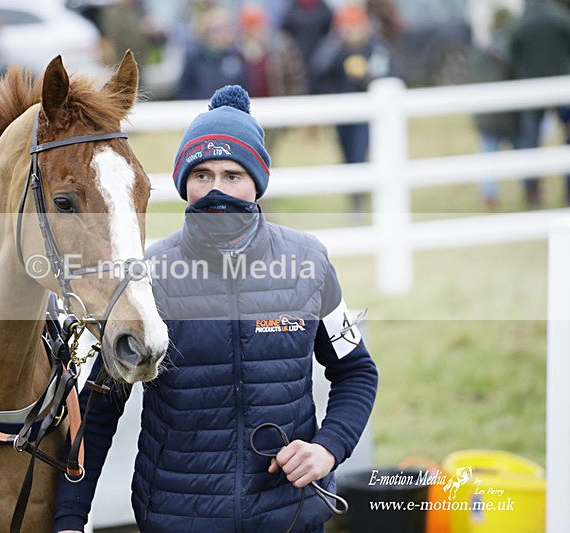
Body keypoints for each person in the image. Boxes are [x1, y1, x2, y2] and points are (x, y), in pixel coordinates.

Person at [54, 85, 379, 533]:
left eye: (232, 175)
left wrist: (329, 447)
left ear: (257, 182)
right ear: (184, 182)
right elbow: (98, 408)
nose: (215, 189)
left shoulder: (309, 264)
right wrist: (70, 520)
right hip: (177, 519)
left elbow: (357, 371)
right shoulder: (146, 279)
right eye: (202, 174)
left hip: (291, 518)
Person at [308, 3, 400, 214]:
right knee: (347, 155)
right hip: (340, 113)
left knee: (360, 154)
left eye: (355, 27)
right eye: (347, 27)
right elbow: (318, 71)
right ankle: (355, 198)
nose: (352, 32)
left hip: (367, 114)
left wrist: (369, 77)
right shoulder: (333, 47)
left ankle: (360, 201)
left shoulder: (375, 46)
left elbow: (393, 73)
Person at [507, 0, 570, 208]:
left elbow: (511, 52)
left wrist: (523, 73)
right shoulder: (560, 16)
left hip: (532, 88)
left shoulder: (523, 20)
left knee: (530, 142)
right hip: (563, 85)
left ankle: (532, 193)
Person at [238, 5, 307, 156]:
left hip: (274, 106)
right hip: (247, 112)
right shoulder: (237, 50)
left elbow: (295, 77)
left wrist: (291, 105)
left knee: (268, 152)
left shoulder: (280, 46)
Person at [469, 7, 520, 211]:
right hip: (508, 114)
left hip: (486, 114)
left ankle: (489, 195)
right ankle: (530, 190)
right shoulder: (508, 48)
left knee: (489, 153)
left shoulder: (479, 50)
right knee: (522, 151)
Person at [177, 8, 248, 100]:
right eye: (218, 29)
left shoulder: (236, 56)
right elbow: (185, 90)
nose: (223, 33)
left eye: (226, 28)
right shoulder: (194, 58)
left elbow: (246, 88)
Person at [281, 0, 334, 94]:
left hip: (319, 52)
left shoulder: (323, 7)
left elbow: (329, 29)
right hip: (298, 54)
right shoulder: (293, 8)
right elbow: (286, 29)